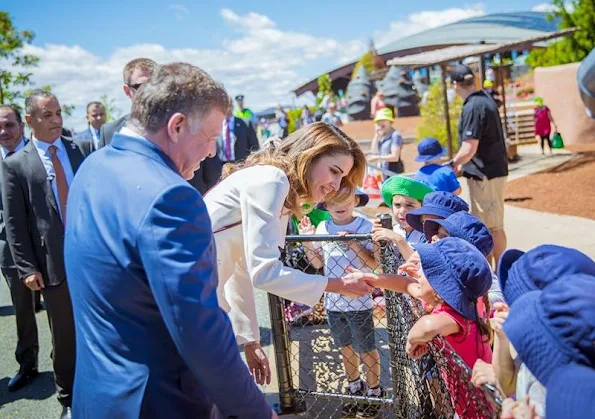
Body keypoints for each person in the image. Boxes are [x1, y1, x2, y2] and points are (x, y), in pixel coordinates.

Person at [64, 63, 275, 418]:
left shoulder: (93, 166)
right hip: (158, 402)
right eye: (209, 137)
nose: (211, 152)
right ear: (177, 126)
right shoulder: (172, 197)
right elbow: (200, 330)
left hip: (98, 395)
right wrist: (257, 410)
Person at [204, 122, 372, 385]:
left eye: (342, 178)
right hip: (190, 303)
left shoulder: (275, 184)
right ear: (309, 156)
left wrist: (250, 339)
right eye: (334, 171)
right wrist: (337, 285)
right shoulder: (272, 180)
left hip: (198, 302)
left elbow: (243, 267)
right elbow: (264, 272)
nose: (336, 185)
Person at [2, 91, 93, 419]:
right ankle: (68, 398)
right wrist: (26, 267)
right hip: (52, 265)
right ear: (30, 121)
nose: (56, 120)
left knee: (98, 327)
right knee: (65, 334)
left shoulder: (80, 149)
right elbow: (15, 222)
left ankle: (100, 389)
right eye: (47, 115)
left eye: (58, 113)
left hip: (91, 259)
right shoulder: (16, 164)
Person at [354, 237, 493, 419]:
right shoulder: (468, 302)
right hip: (469, 401)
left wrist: (412, 341)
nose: (419, 270)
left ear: (441, 284)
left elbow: (426, 327)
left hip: (477, 410)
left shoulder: (455, 317)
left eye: (427, 269)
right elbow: (405, 284)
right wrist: (372, 279)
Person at [299, 190, 384, 418]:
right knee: (345, 347)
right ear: (325, 204)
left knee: (367, 348)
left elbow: (374, 264)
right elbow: (317, 263)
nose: (340, 205)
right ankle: (355, 385)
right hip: (334, 303)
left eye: (345, 199)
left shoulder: (366, 227)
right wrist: (308, 238)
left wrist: (354, 244)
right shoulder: (323, 228)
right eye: (333, 200)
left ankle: (375, 390)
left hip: (360, 302)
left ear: (356, 201)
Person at [447, 64, 508, 267]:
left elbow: (469, 147)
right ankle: (495, 271)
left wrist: (454, 163)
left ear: (456, 85)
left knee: (490, 227)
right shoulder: (484, 100)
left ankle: (496, 274)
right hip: (491, 172)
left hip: (485, 175)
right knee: (492, 225)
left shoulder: (473, 106)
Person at [0, 105, 39, 392]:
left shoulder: (40, 152)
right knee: (23, 310)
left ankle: (67, 365)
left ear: (22, 125)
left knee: (60, 312)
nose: (4, 132)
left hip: (48, 247)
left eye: (9, 125)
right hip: (11, 250)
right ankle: (28, 364)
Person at [371, 175, 434, 262]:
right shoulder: (393, 230)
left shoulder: (428, 233)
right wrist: (377, 238)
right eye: (397, 205)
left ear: (423, 207)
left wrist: (398, 240)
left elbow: (418, 265)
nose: (402, 211)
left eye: (409, 205)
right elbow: (380, 265)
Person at [97, 58, 157, 148]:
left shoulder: (179, 127)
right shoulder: (110, 132)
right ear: (127, 91)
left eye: (155, 84)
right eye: (142, 86)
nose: (150, 91)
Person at [368, 108, 404, 179]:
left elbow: (395, 157)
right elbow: (374, 152)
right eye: (378, 121)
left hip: (393, 173)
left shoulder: (395, 135)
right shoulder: (382, 136)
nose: (380, 123)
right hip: (384, 173)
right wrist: (376, 136)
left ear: (390, 121)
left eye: (383, 120)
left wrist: (377, 158)